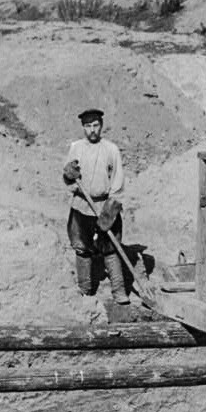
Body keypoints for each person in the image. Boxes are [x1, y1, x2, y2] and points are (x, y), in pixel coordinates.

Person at [62, 108, 129, 304]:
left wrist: (108, 214)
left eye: (96, 125)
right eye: (89, 126)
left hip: (104, 206)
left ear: (101, 126)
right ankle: (85, 290)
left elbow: (118, 184)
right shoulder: (76, 148)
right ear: (83, 127)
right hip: (82, 205)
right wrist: (68, 174)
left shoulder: (111, 150)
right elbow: (68, 178)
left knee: (110, 248)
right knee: (82, 248)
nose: (93, 130)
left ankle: (119, 292)